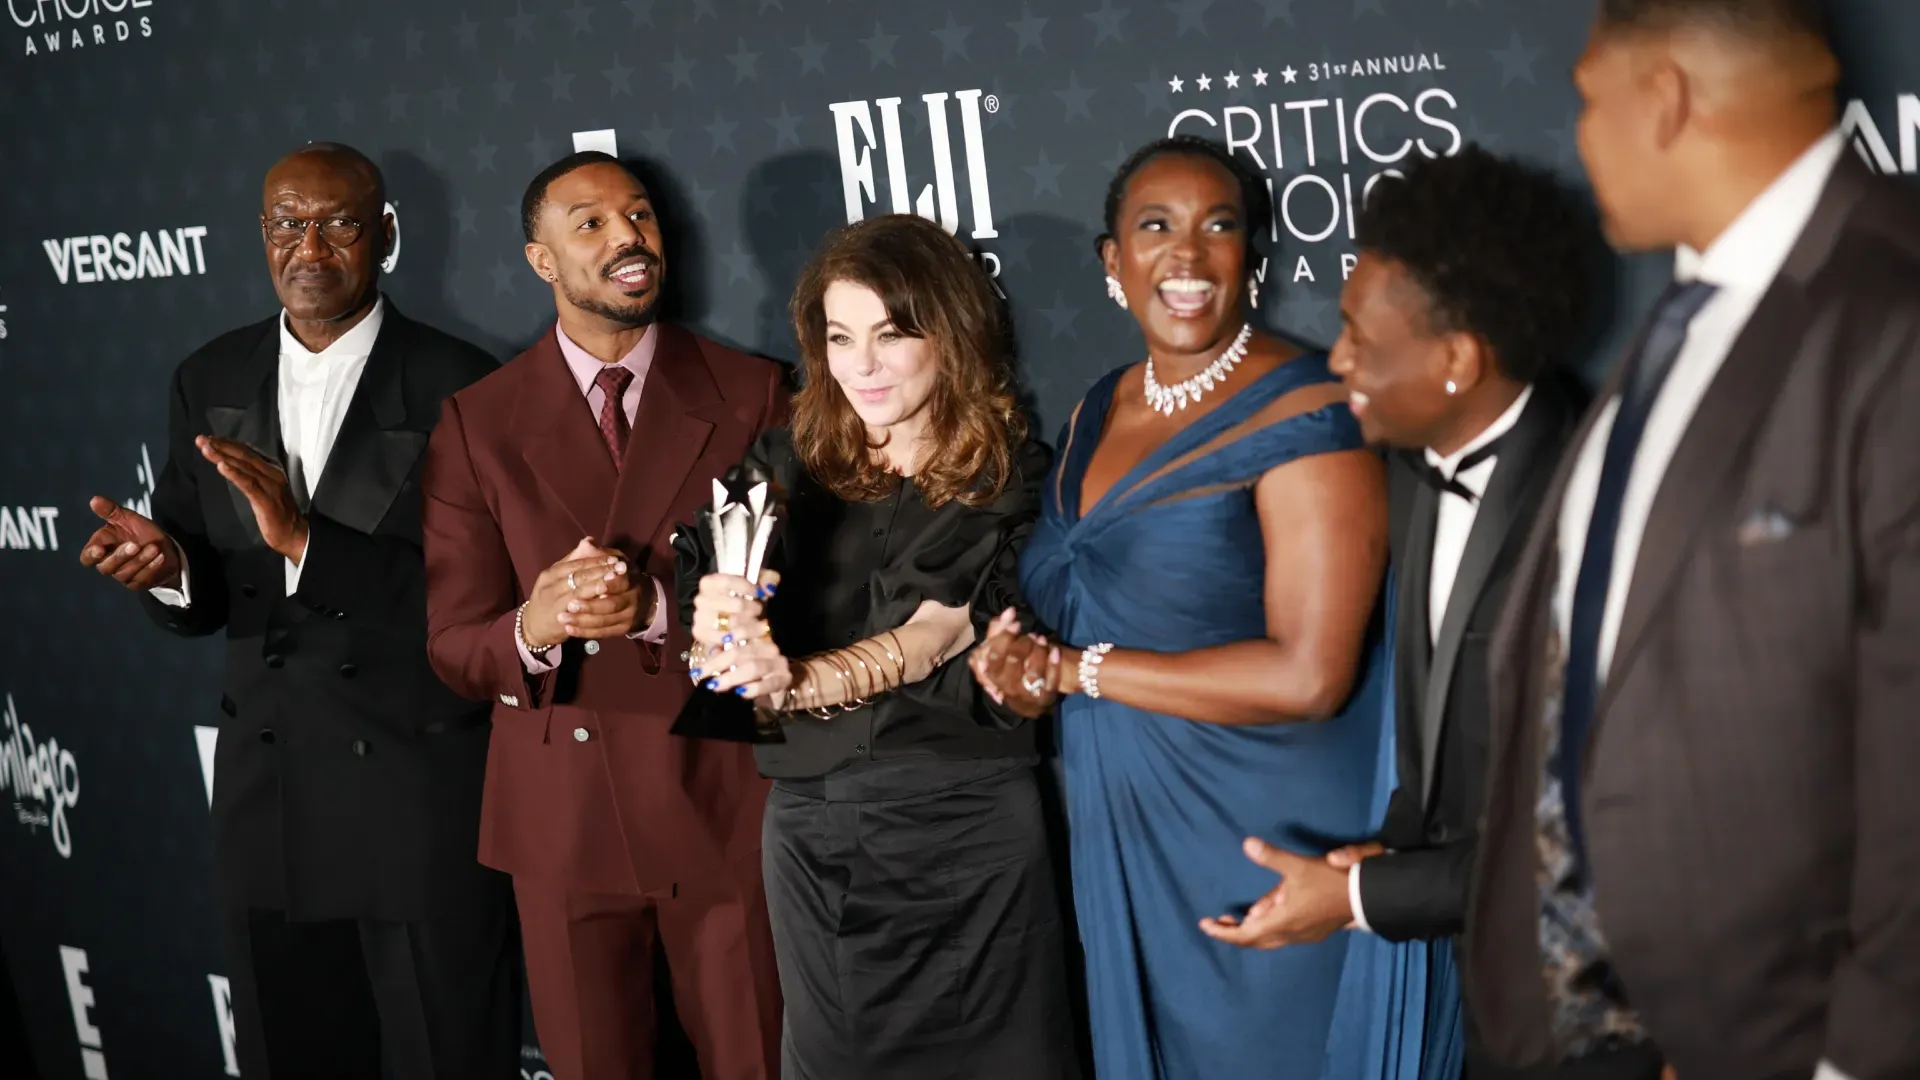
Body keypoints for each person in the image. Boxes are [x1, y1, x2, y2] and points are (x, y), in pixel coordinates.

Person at [1466, 3, 1920, 1079]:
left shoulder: (1892, 308)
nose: (1573, 132)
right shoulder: (1692, 314)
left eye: (1586, 99)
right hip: (1654, 1029)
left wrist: (1856, 1058)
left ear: (1663, 97)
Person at [972, 135, 1453, 1080]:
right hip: (1130, 831)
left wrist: (1076, 671)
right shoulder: (1096, 407)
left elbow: (1312, 677)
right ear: (1113, 262)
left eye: (1218, 227)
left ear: (1253, 258)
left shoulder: (1307, 407)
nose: (1186, 257)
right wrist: (1023, 673)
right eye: (1156, 227)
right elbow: (1085, 619)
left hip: (1270, 834)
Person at [78, 142, 517, 1080]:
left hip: (414, 798)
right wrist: (166, 571)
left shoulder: (466, 382)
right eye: (287, 223)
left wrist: (307, 544)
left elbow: (483, 605)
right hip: (267, 801)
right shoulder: (209, 376)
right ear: (261, 235)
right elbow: (205, 588)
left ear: (386, 234)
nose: (308, 246)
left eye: (339, 223)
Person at [1203, 145, 1595, 1073]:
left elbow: (1591, 844)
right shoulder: (1414, 474)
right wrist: (1385, 861)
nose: (1334, 359)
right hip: (1488, 984)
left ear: (1457, 359)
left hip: (1619, 1004)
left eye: (1359, 338)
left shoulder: (1592, 505)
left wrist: (1366, 899)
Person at [677, 213, 1079, 1080]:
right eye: (840, 336)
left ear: (953, 333)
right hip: (818, 834)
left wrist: (794, 683)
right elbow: (709, 581)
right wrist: (716, 615)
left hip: (971, 827)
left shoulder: (1010, 472)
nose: (861, 365)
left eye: (893, 335)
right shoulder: (779, 466)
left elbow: (937, 633)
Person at [418, 151, 784, 1080]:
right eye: (590, 223)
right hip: (561, 821)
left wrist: (657, 608)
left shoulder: (750, 392)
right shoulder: (477, 420)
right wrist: (536, 626)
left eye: (642, 217)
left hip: (720, 798)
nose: (628, 237)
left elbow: (802, 596)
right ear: (541, 259)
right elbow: (456, 646)